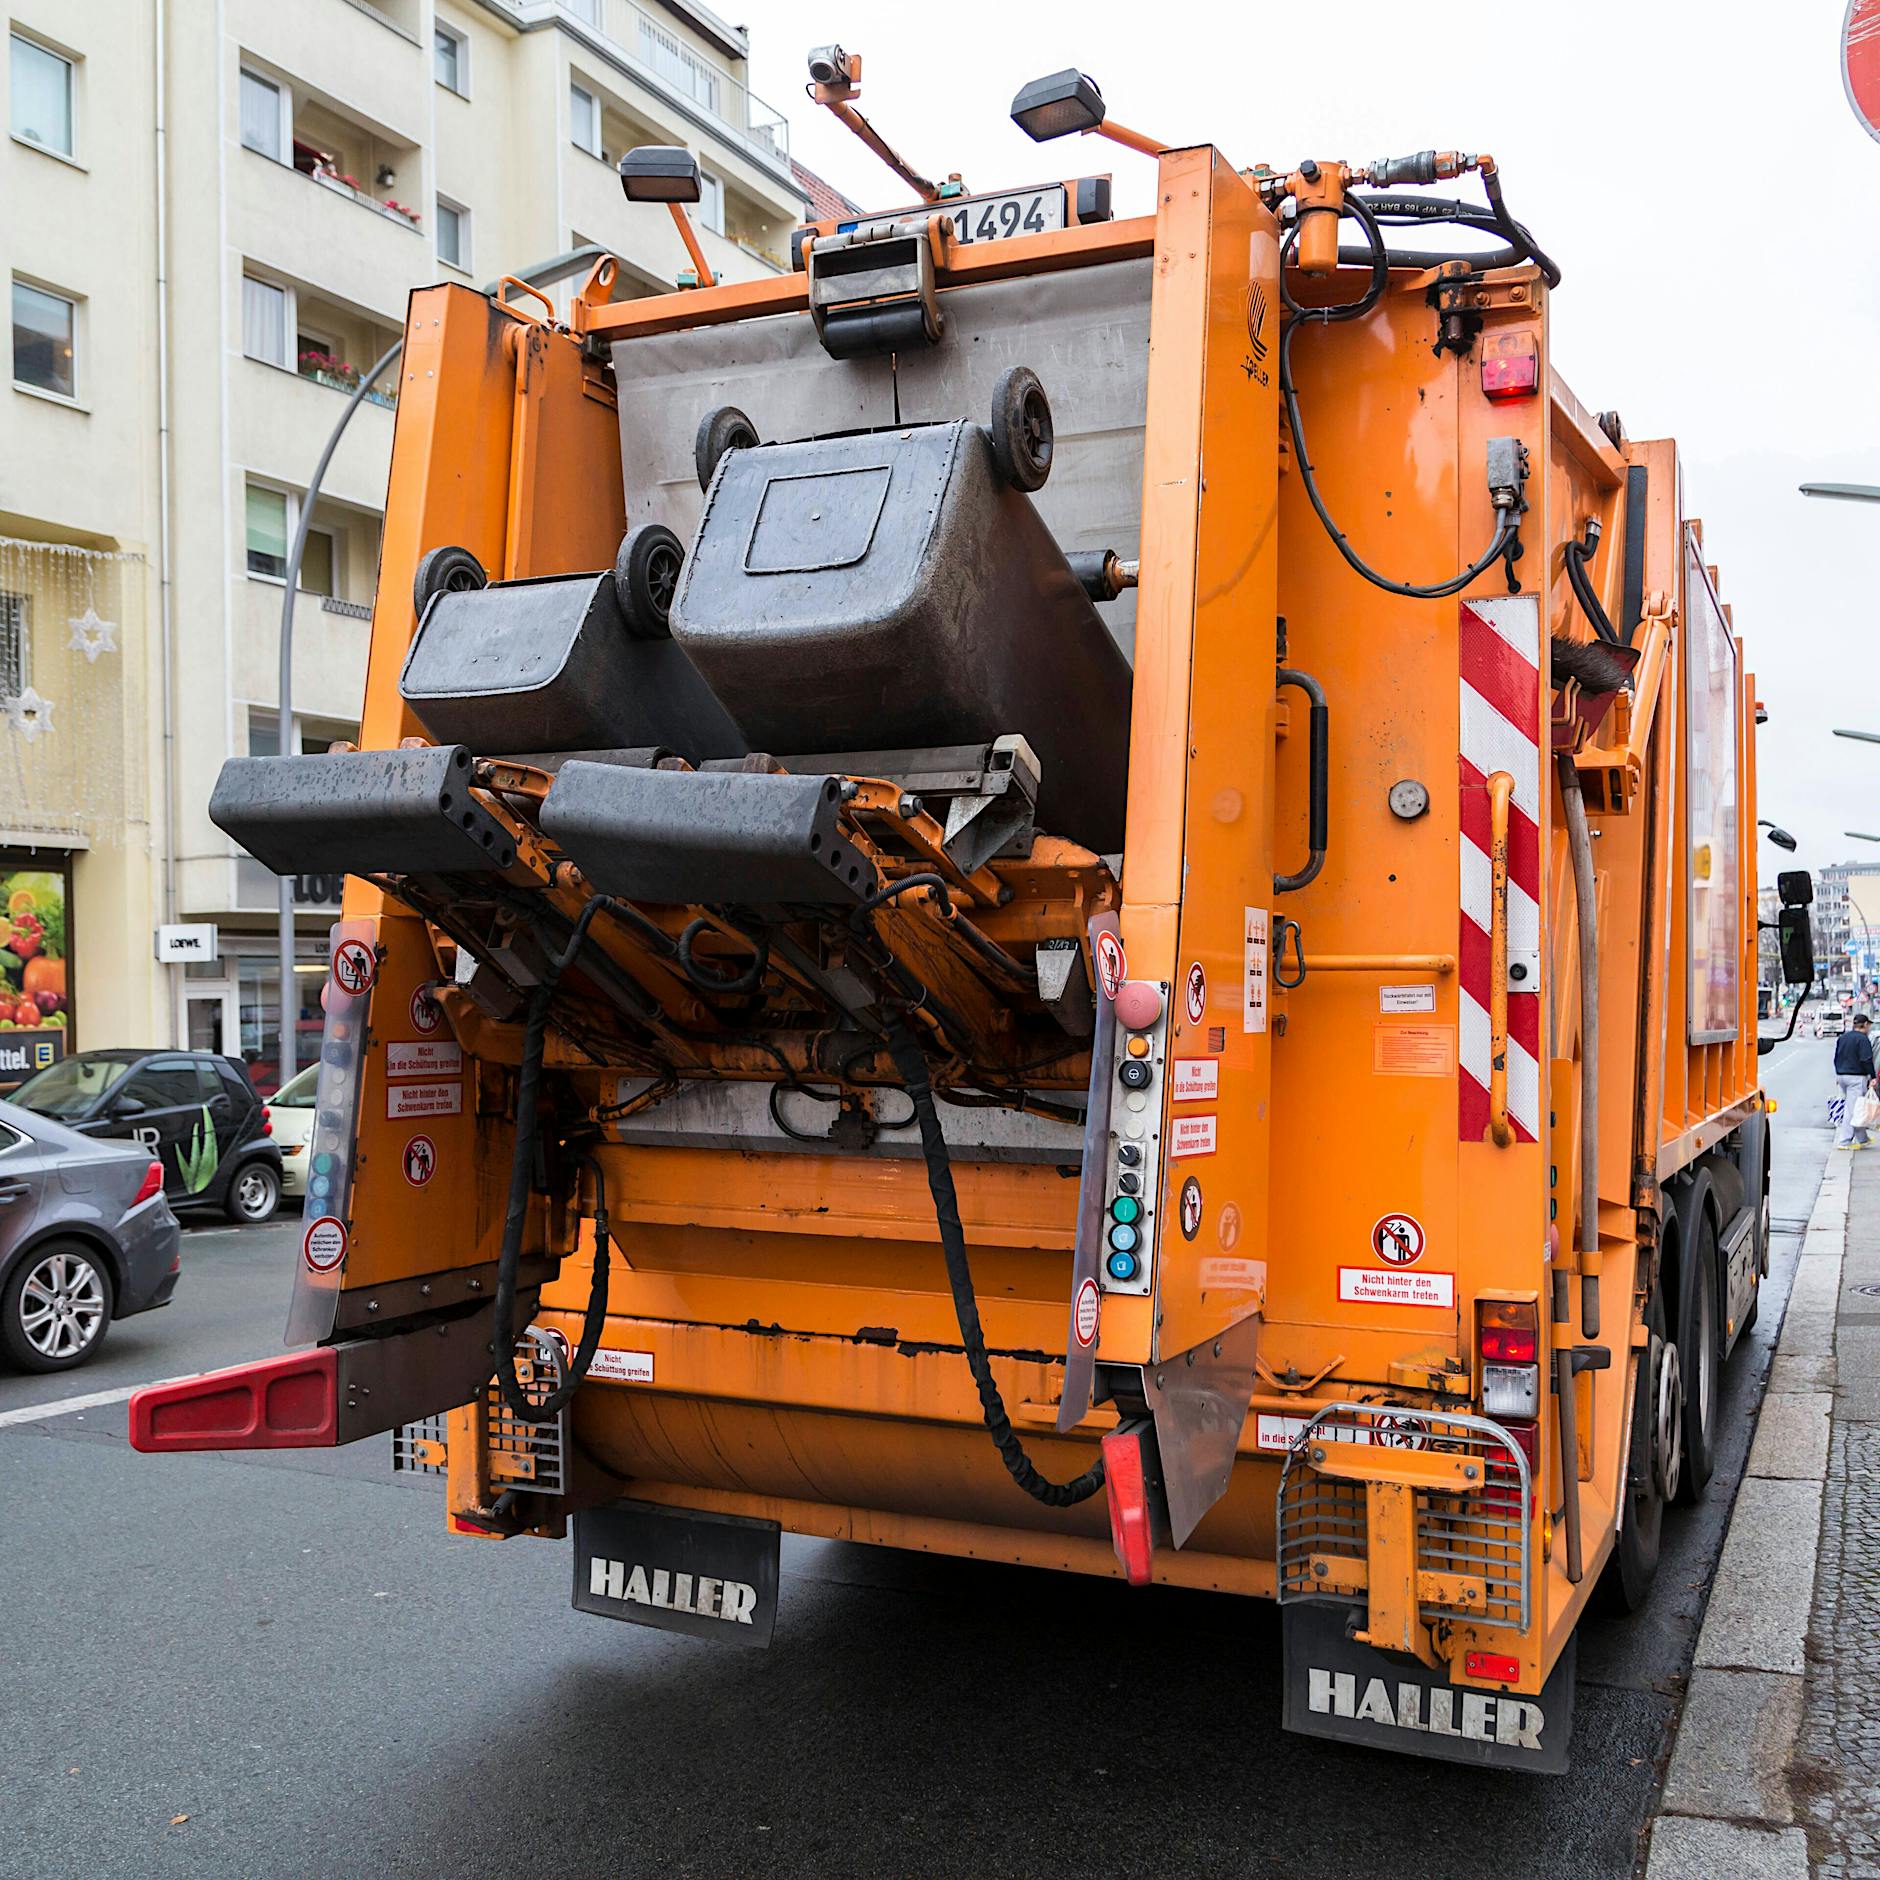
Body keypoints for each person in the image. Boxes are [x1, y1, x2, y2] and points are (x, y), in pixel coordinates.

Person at [1834, 1013, 1877, 1149]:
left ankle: (1862, 1139)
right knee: (1852, 1110)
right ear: (1865, 1025)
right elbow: (1866, 1059)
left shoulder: (1843, 1037)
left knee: (1856, 1107)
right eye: (1868, 1025)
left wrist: (1838, 1073)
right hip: (1856, 1077)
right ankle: (1844, 1141)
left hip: (1842, 1076)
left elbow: (1836, 1057)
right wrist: (1873, 1076)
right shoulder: (1863, 1039)